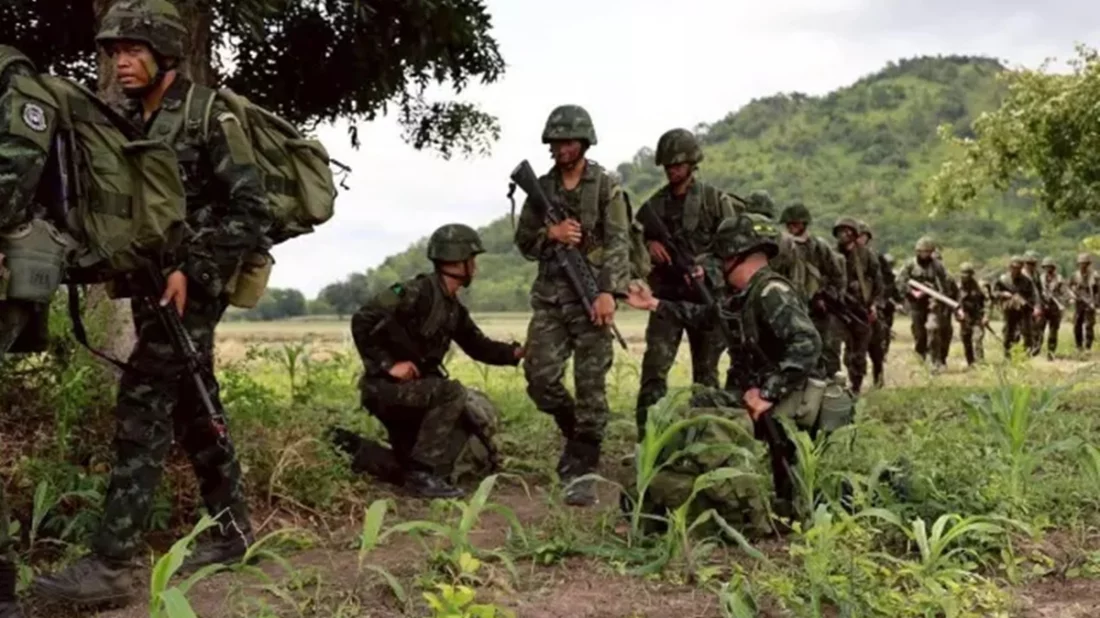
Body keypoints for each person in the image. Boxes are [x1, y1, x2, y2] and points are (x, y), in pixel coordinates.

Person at [35, 0, 273, 606]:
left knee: (142, 401)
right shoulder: (120, 118)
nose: (121, 62)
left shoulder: (207, 114)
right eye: (114, 52)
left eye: (133, 51)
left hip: (193, 288)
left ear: (165, 54)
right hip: (148, 284)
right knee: (196, 404)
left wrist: (194, 269)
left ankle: (113, 564)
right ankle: (233, 530)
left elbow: (251, 208)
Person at [623, 214, 837, 511]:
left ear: (737, 255)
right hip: (770, 394)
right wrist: (654, 304)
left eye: (723, 258)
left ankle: (734, 495)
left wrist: (767, 393)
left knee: (703, 413)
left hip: (790, 398)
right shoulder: (747, 296)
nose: (721, 267)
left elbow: (807, 343)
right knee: (699, 403)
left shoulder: (771, 292)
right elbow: (709, 317)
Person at [348, 224, 523, 498]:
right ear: (457, 261)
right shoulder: (412, 291)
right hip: (385, 388)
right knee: (451, 392)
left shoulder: (453, 308)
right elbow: (363, 318)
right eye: (472, 260)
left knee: (416, 464)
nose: (475, 268)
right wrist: (388, 365)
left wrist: (516, 354)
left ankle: (354, 449)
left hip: (414, 392)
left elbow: (479, 346)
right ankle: (421, 475)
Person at [514, 104, 630, 506]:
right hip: (550, 298)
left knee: (591, 385)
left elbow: (618, 241)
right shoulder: (541, 188)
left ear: (583, 143)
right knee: (540, 379)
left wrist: (607, 293)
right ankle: (574, 432)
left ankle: (584, 461)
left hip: (591, 296)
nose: (561, 147)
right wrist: (553, 233)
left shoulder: (605, 186)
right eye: (556, 141)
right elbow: (525, 243)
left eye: (568, 141)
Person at [634, 128, 737, 439]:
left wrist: (706, 269)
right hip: (667, 298)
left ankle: (708, 439)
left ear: (693, 164)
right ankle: (649, 437)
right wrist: (648, 246)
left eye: (677, 165)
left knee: (706, 376)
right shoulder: (654, 207)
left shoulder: (715, 202)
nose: (672, 171)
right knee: (654, 370)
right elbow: (631, 241)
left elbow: (733, 249)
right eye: (667, 166)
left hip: (706, 300)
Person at [774, 203, 845, 378]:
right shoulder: (781, 247)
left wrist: (826, 297)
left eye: (795, 224)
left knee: (825, 351)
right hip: (790, 307)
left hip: (816, 309)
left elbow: (837, 276)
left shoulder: (819, 247)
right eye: (788, 225)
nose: (791, 228)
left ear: (804, 224)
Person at [832, 217, 882, 393]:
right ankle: (834, 384)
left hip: (861, 309)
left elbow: (878, 283)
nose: (842, 235)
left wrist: (874, 304)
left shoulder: (867, 256)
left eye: (846, 231)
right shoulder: (831, 254)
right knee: (833, 347)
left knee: (859, 352)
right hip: (838, 308)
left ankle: (856, 387)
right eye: (839, 232)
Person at [898, 237, 950, 365]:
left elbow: (944, 286)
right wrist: (912, 292)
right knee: (919, 335)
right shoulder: (910, 265)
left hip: (932, 303)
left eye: (927, 251)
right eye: (922, 251)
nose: (925, 254)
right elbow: (900, 282)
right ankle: (920, 359)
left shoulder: (937, 266)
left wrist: (936, 297)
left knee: (933, 330)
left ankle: (936, 360)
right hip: (916, 304)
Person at [857, 221, 897, 387]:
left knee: (876, 347)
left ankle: (878, 378)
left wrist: (878, 302)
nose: (859, 239)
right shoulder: (843, 255)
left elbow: (887, 283)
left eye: (862, 236)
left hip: (873, 306)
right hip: (852, 307)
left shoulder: (875, 258)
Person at [994, 256, 1041, 358]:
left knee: (1027, 333)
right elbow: (994, 293)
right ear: (1010, 267)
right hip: (1010, 310)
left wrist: (1036, 307)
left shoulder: (1027, 281)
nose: (1016, 269)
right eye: (1014, 267)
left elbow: (1034, 295)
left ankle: (1026, 355)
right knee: (1008, 333)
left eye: (1018, 268)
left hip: (1024, 310)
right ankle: (1008, 355)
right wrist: (1003, 294)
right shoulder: (1003, 280)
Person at [956, 263, 988, 367]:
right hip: (964, 318)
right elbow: (953, 302)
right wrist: (958, 312)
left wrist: (986, 315)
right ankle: (970, 363)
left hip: (977, 316)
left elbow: (987, 301)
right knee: (966, 340)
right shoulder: (957, 287)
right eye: (963, 274)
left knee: (977, 338)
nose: (965, 276)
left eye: (967, 274)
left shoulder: (979, 286)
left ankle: (980, 362)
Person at [1036, 257, 1066, 359]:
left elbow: (1063, 293)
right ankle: (1036, 350)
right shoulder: (1040, 278)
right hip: (1043, 306)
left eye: (1050, 267)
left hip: (1055, 308)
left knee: (1053, 331)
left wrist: (1060, 300)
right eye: (1046, 267)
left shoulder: (1059, 279)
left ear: (1053, 268)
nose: (1048, 269)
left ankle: (1051, 352)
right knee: (1039, 330)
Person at [1069, 253, 1098, 352]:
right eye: (1081, 263)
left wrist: (1095, 303)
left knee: (1089, 325)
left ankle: (1088, 346)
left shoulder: (1094, 276)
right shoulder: (1074, 275)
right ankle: (1079, 346)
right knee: (1077, 325)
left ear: (1088, 264)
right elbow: (1068, 288)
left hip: (1090, 303)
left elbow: (1098, 291)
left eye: (1085, 263)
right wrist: (1072, 296)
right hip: (1079, 303)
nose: (1083, 265)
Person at [1022, 250, 1044, 355]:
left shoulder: (1036, 274)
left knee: (1036, 329)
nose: (1031, 266)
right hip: (1023, 306)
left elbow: (1038, 291)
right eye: (1029, 263)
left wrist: (1039, 305)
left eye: (1033, 264)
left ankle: (1032, 350)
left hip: (1035, 305)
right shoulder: (1021, 274)